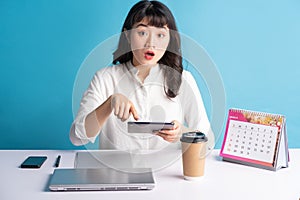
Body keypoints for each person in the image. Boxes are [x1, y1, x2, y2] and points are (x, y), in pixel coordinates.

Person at [70, 0, 214, 151]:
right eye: (142, 33)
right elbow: (77, 137)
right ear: (127, 35)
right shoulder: (105, 78)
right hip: (116, 172)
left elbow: (208, 141)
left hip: (167, 173)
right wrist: (109, 103)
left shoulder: (183, 79)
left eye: (160, 35)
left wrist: (181, 134)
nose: (150, 43)